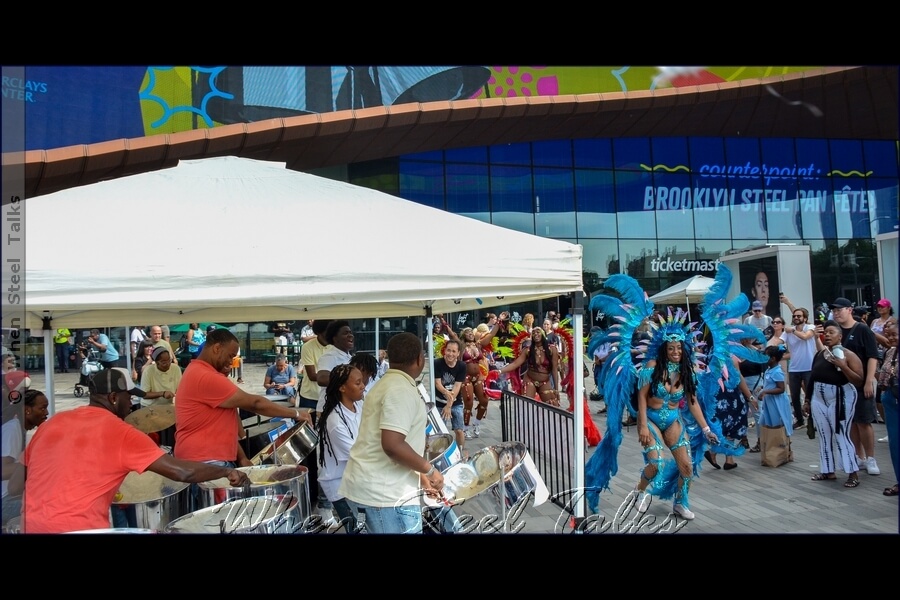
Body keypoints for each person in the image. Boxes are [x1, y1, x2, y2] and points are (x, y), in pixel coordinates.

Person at [22, 368, 251, 533]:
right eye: (128, 397)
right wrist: (223, 472)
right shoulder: (119, 431)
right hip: (81, 527)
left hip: (31, 525)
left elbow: (26, 475)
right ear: (113, 398)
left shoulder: (51, 424)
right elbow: (182, 473)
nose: (131, 404)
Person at [339, 333, 444, 534]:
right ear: (420, 359)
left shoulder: (386, 384)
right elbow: (393, 445)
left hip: (377, 490)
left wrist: (420, 472)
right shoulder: (399, 389)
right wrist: (429, 470)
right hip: (384, 497)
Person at [174, 329, 312, 479]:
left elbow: (220, 424)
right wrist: (297, 414)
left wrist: (241, 458)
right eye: (230, 356)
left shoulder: (198, 371)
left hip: (209, 459)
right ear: (217, 348)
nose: (231, 362)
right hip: (205, 461)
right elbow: (256, 403)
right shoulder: (205, 376)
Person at [631, 333, 719, 520]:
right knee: (656, 463)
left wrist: (706, 430)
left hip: (672, 420)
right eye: (671, 348)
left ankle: (680, 502)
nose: (675, 352)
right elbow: (641, 397)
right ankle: (639, 492)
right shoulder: (652, 367)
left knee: (687, 466)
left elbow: (693, 403)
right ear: (664, 349)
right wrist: (643, 425)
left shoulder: (687, 371)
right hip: (651, 419)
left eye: (679, 347)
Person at [807, 321, 865, 487]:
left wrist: (843, 366)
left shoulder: (848, 355)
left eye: (832, 332)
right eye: (826, 332)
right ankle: (827, 470)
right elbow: (813, 376)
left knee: (841, 434)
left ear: (840, 336)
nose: (828, 335)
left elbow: (858, 380)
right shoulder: (820, 354)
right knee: (824, 435)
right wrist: (807, 399)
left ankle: (852, 473)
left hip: (840, 397)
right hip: (818, 397)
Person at [827, 297, 881, 476]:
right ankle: (859, 456)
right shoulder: (835, 331)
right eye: (834, 311)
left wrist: (868, 381)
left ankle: (871, 458)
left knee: (864, 422)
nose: (836, 313)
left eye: (839, 310)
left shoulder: (862, 329)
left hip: (860, 383)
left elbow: (872, 356)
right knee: (850, 422)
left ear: (849, 310)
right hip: (842, 385)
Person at [316, 364, 366, 533]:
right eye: (358, 383)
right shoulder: (336, 422)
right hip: (340, 485)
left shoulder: (358, 406)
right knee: (357, 528)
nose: (363, 386)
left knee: (364, 524)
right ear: (342, 388)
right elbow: (358, 455)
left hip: (354, 480)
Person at [314, 320, 355, 525]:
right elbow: (321, 377)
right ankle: (324, 507)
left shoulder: (346, 356)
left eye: (351, 332)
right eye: (345, 333)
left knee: (342, 463)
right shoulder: (330, 355)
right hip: (328, 414)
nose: (351, 335)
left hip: (344, 412)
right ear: (334, 338)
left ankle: (339, 504)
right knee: (329, 463)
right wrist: (346, 380)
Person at [2, 389, 49, 528]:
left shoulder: (18, 428)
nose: (46, 413)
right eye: (42, 408)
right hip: (5, 500)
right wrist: (36, 465)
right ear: (27, 410)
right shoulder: (13, 429)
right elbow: (2, 470)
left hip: (10, 497)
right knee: (49, 509)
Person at [497, 326, 561, 406]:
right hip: (530, 380)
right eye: (533, 333)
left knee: (553, 405)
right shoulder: (528, 350)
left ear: (543, 334)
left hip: (545, 381)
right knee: (527, 405)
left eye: (538, 332)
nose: (535, 334)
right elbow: (515, 364)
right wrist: (500, 371)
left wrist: (556, 389)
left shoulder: (552, 349)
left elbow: (554, 369)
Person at [779, 296, 817, 430]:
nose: (796, 317)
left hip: (809, 367)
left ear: (805, 318)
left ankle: (813, 420)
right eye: (794, 316)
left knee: (811, 394)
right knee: (794, 396)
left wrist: (793, 331)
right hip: (794, 368)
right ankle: (800, 420)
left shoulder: (810, 327)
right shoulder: (788, 331)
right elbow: (779, 341)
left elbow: (806, 337)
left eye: (799, 316)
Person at [749, 345, 795, 453]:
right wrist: (762, 387)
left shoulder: (777, 371)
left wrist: (765, 392)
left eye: (766, 356)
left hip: (777, 403)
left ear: (773, 358)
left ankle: (783, 449)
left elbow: (781, 388)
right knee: (765, 422)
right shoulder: (769, 370)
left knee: (778, 424)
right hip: (769, 402)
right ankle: (771, 446)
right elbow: (770, 383)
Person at [875, 319, 898, 496]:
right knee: (895, 443)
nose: (890, 338)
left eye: (894, 335)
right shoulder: (890, 352)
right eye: (888, 335)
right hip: (890, 398)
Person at [433, 339, 467, 458]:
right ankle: (440, 455)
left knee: (459, 429)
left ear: (458, 353)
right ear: (444, 351)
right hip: (439, 401)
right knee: (440, 431)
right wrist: (446, 394)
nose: (450, 354)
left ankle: (460, 453)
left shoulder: (462, 366)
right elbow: (437, 383)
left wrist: (449, 405)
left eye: (453, 351)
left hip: (455, 402)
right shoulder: (437, 363)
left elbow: (457, 386)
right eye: (448, 350)